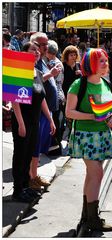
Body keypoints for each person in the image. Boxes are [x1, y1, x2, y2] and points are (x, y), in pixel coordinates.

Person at [65, 48, 112, 231]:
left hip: (102, 135)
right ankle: (92, 218)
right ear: (91, 63)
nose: (105, 63)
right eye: (101, 61)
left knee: (92, 176)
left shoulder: (105, 83)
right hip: (85, 135)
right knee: (97, 174)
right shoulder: (79, 84)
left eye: (105, 60)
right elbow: (69, 112)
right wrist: (91, 117)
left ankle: (87, 216)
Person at [11, 41, 56, 203]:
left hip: (35, 121)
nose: (37, 52)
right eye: (33, 50)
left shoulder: (36, 72)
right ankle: (17, 190)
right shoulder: (19, 72)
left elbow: (41, 98)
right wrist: (21, 123)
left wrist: (50, 119)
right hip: (22, 120)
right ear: (24, 52)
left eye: (38, 50)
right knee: (20, 155)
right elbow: (14, 100)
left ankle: (25, 187)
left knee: (28, 155)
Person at [29, 32, 61, 190]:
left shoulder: (42, 61)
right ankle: (31, 177)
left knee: (39, 146)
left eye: (46, 44)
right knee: (34, 145)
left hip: (45, 109)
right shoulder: (32, 62)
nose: (45, 47)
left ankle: (34, 175)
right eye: (42, 45)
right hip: (37, 112)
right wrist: (51, 74)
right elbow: (34, 82)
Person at [46, 40, 65, 153]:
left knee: (54, 122)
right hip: (59, 94)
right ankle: (56, 146)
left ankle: (55, 147)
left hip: (55, 96)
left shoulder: (53, 63)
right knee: (57, 121)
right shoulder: (56, 61)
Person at [61, 45, 82, 141]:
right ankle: (70, 134)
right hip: (66, 93)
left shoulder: (78, 65)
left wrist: (81, 74)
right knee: (68, 116)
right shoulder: (63, 66)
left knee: (76, 114)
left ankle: (73, 134)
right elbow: (62, 81)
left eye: (74, 55)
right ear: (66, 56)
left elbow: (83, 80)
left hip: (77, 94)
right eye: (71, 55)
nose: (73, 57)